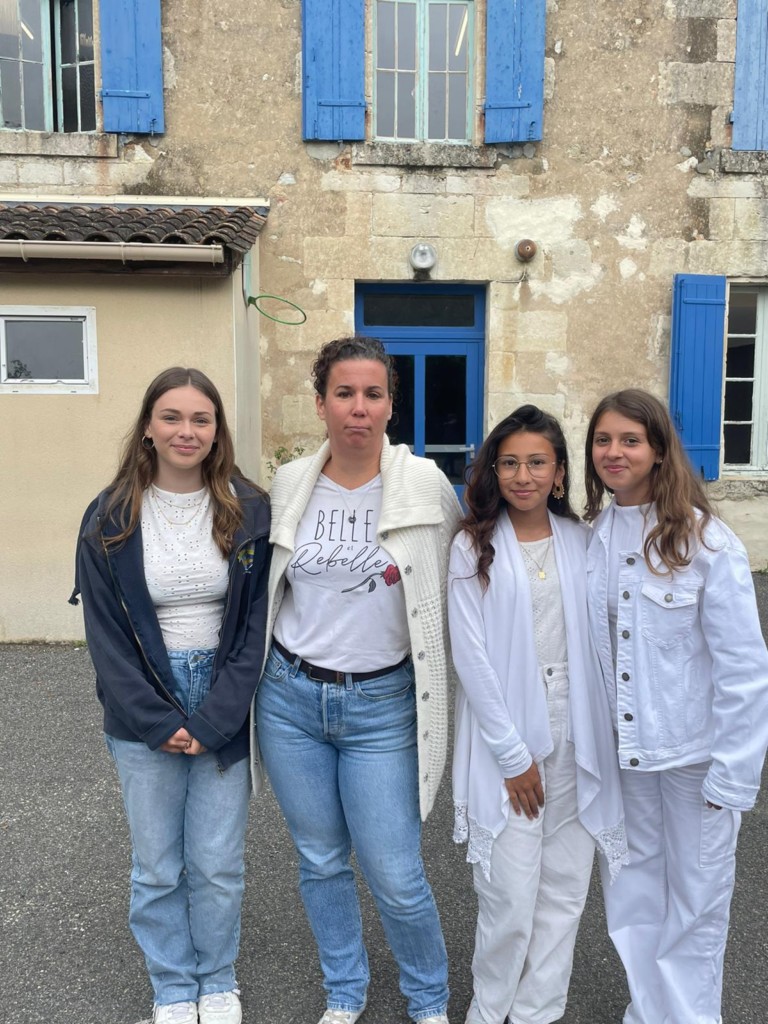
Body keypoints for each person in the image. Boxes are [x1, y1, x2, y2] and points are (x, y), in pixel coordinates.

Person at [254, 336, 462, 1024]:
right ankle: (344, 991)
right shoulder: (291, 483)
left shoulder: (426, 485)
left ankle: (428, 999)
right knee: (320, 861)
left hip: (383, 705)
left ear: (391, 405)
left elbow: (462, 576)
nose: (359, 408)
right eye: (343, 393)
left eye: (373, 394)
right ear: (320, 404)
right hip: (290, 700)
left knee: (397, 874)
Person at [71, 367, 270, 1024]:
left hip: (223, 695)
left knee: (216, 863)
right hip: (141, 703)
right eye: (173, 417)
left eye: (201, 419)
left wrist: (217, 717)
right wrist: (157, 721)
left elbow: (256, 626)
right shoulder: (109, 516)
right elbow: (105, 635)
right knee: (157, 866)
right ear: (149, 428)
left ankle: (217, 979)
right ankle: (174, 987)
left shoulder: (249, 508)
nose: (187, 431)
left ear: (217, 432)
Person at [584, 388, 768, 1024]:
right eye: (603, 440)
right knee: (632, 896)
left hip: (695, 759)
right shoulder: (593, 538)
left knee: (696, 903)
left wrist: (734, 773)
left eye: (630, 440)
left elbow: (744, 667)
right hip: (625, 758)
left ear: (660, 450)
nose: (614, 452)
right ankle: (646, 1012)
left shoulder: (705, 541)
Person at [447, 405, 627, 1024]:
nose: (522, 476)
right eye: (509, 463)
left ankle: (538, 1013)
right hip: (510, 734)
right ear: (493, 471)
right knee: (509, 895)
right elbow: (470, 658)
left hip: (578, 732)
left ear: (559, 473)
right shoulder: (472, 547)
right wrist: (512, 754)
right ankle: (489, 1009)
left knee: (565, 892)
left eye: (537, 462)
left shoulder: (583, 540)